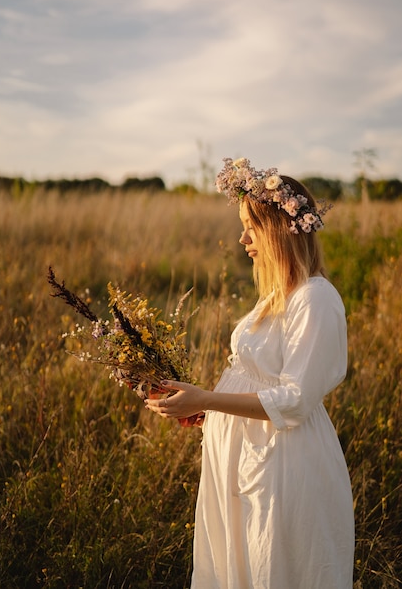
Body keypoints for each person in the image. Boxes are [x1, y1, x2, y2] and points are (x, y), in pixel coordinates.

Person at [145, 157, 355, 588]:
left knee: (275, 567)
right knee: (238, 565)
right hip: (243, 458)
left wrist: (207, 398)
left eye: (251, 227)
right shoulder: (276, 297)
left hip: (284, 465)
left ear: (279, 230)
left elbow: (294, 400)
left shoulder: (315, 300)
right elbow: (257, 384)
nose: (242, 238)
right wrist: (209, 412)